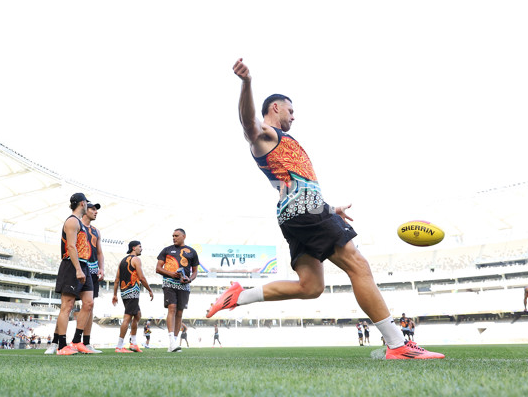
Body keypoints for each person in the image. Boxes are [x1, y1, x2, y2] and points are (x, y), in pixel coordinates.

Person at [206, 59, 444, 359]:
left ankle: (240, 296)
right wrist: (247, 83)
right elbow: (248, 124)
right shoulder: (267, 133)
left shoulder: (287, 143)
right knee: (358, 265)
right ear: (276, 108)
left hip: (296, 212)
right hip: (305, 209)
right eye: (290, 110)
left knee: (311, 286)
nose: (294, 116)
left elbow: (294, 183)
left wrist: (329, 208)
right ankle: (398, 344)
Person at [49, 193, 95, 355]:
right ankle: (61, 346)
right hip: (72, 265)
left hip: (84, 264)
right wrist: (77, 269)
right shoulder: (71, 221)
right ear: (82, 203)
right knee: (67, 305)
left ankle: (77, 341)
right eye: (87, 204)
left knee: (89, 303)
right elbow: (71, 247)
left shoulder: (80, 223)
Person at [156, 229, 199, 353]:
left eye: (176, 236)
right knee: (172, 308)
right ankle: (172, 342)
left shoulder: (192, 252)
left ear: (184, 236)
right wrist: (171, 274)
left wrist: (189, 279)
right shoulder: (167, 250)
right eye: (173, 236)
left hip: (184, 286)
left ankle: (174, 343)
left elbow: (195, 271)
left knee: (179, 312)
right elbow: (158, 268)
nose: (174, 238)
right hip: (169, 283)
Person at [112, 241, 154, 353]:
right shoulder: (136, 259)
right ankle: (119, 346)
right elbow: (141, 277)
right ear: (134, 248)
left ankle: (133, 343)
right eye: (140, 247)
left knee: (138, 315)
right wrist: (149, 290)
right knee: (128, 317)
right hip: (132, 291)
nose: (141, 249)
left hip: (124, 292)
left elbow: (117, 279)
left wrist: (115, 294)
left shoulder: (122, 261)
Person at [81, 202, 104, 353]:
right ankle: (56, 342)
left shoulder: (96, 231)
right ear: (84, 209)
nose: (96, 212)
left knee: (90, 305)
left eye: (97, 209)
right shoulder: (76, 225)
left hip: (93, 271)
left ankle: (86, 343)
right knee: (67, 304)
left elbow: (100, 252)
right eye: (93, 209)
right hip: (79, 268)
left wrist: (101, 268)